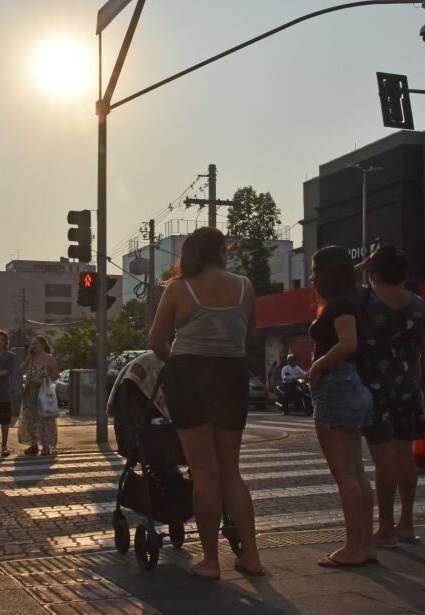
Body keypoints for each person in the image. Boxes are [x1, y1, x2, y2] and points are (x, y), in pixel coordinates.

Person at [149, 226, 264, 579]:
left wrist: (179, 362)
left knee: (204, 473)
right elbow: (248, 331)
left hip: (189, 378)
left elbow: (156, 340)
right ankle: (253, 557)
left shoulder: (178, 288)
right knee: (231, 470)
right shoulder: (245, 285)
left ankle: (211, 561)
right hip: (232, 375)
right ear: (221, 251)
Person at [355, 245, 425, 547]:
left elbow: (331, 285)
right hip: (409, 388)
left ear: (374, 272)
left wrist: (363, 265)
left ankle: (386, 528)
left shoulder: (366, 299)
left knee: (383, 459)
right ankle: (407, 523)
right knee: (405, 457)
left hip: (374, 388)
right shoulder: (418, 305)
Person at [307, 245, 375, 567]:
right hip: (349, 386)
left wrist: (318, 365)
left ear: (326, 273)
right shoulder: (350, 298)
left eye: (314, 270)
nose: (311, 276)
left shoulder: (341, 304)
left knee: (345, 474)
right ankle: (365, 546)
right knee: (356, 473)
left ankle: (353, 548)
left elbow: (348, 344)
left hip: (337, 386)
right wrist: (361, 264)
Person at [17, 335, 60, 455]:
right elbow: (20, 370)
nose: (33, 345)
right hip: (30, 392)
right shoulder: (31, 357)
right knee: (30, 419)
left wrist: (42, 380)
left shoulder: (48, 358)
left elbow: (56, 374)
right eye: (32, 343)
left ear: (42, 344)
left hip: (43, 392)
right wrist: (28, 357)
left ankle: (46, 445)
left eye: (35, 343)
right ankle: (33, 444)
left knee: (44, 420)